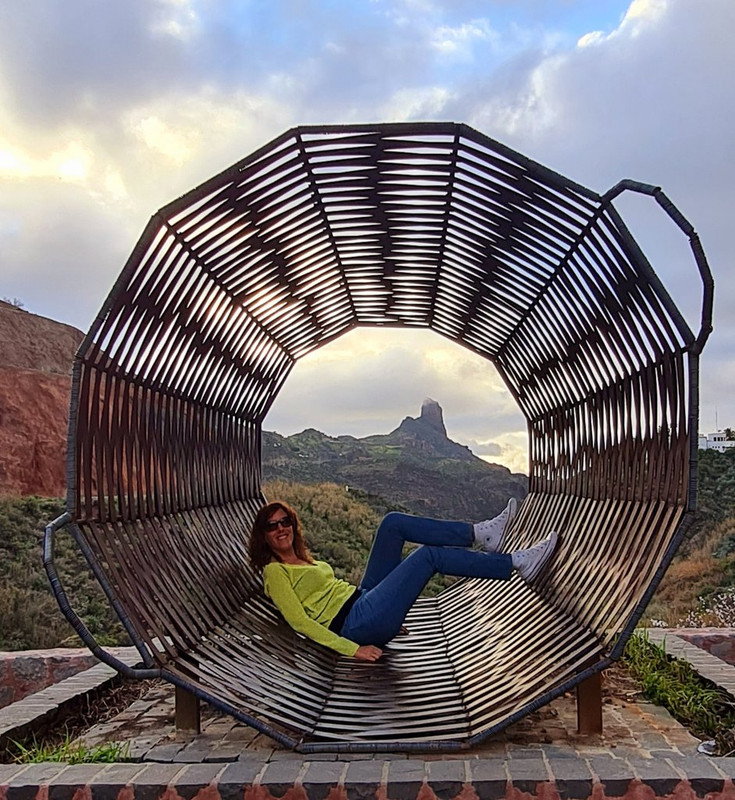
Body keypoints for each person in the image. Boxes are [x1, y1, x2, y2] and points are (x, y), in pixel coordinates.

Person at [248, 499, 558, 662]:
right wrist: (352, 649)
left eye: (285, 521)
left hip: (364, 602)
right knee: (428, 557)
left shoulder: (303, 559)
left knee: (392, 524)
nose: (280, 529)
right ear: (263, 536)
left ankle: (479, 533)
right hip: (356, 624)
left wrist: (389, 608)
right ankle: (516, 563)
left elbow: (330, 594)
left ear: (293, 525)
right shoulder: (275, 572)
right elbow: (301, 623)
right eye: (271, 526)